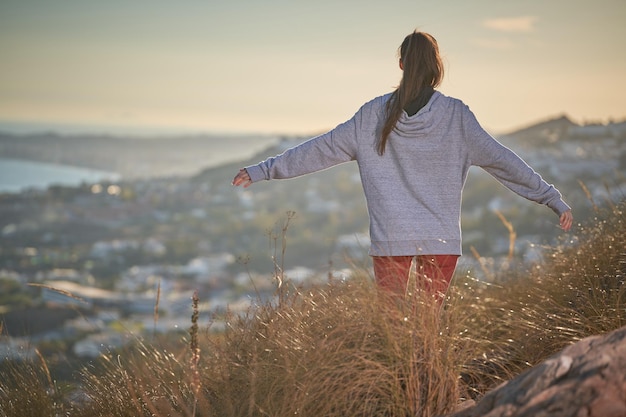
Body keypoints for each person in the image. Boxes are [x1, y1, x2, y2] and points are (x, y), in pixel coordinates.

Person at [232, 30, 573, 300]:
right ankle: (428, 388)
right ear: (436, 67)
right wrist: (550, 198)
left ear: (401, 64)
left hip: (391, 239)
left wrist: (263, 170)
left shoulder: (372, 115)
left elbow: (320, 149)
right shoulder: (456, 117)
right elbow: (504, 162)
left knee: (393, 332)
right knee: (427, 330)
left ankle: (398, 388)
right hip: (440, 241)